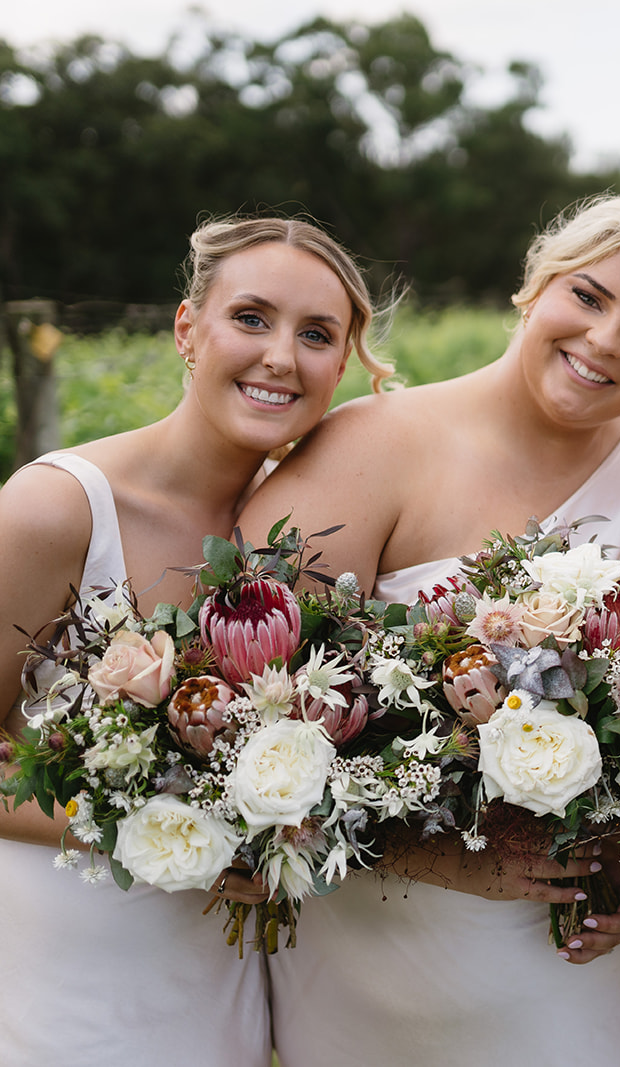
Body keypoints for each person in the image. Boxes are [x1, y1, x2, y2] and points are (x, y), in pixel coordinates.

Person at [239, 194, 620, 1066]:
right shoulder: (373, 443)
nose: (607, 340)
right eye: (588, 296)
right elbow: (242, 710)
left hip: (573, 970)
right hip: (380, 950)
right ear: (532, 287)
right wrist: (427, 847)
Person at [0, 215, 388, 1067]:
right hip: (75, 985)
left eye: (317, 335)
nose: (282, 356)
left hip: (231, 992)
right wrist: (154, 827)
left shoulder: (304, 544)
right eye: (252, 317)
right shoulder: (54, 508)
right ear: (187, 328)